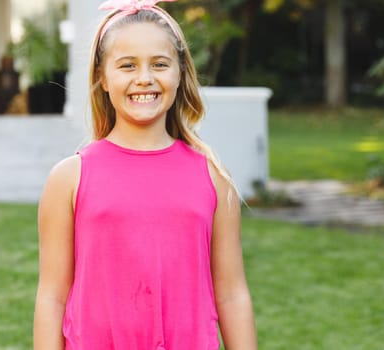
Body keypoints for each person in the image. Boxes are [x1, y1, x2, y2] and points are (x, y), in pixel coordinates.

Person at [33, 0, 257, 349]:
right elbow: (51, 297)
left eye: (159, 64)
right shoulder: (70, 178)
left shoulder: (212, 177)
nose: (144, 78)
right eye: (127, 65)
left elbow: (231, 294)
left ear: (180, 73)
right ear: (102, 78)